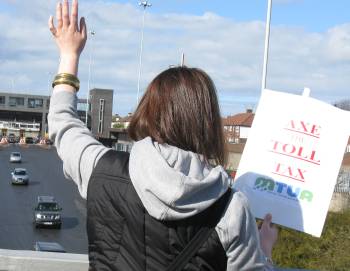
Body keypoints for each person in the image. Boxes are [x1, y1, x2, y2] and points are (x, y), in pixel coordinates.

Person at [48, 0, 278, 270]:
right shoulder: (232, 208)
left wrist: (69, 54)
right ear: (208, 124)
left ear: (149, 110)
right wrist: (264, 251)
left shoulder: (102, 170)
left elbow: (63, 124)